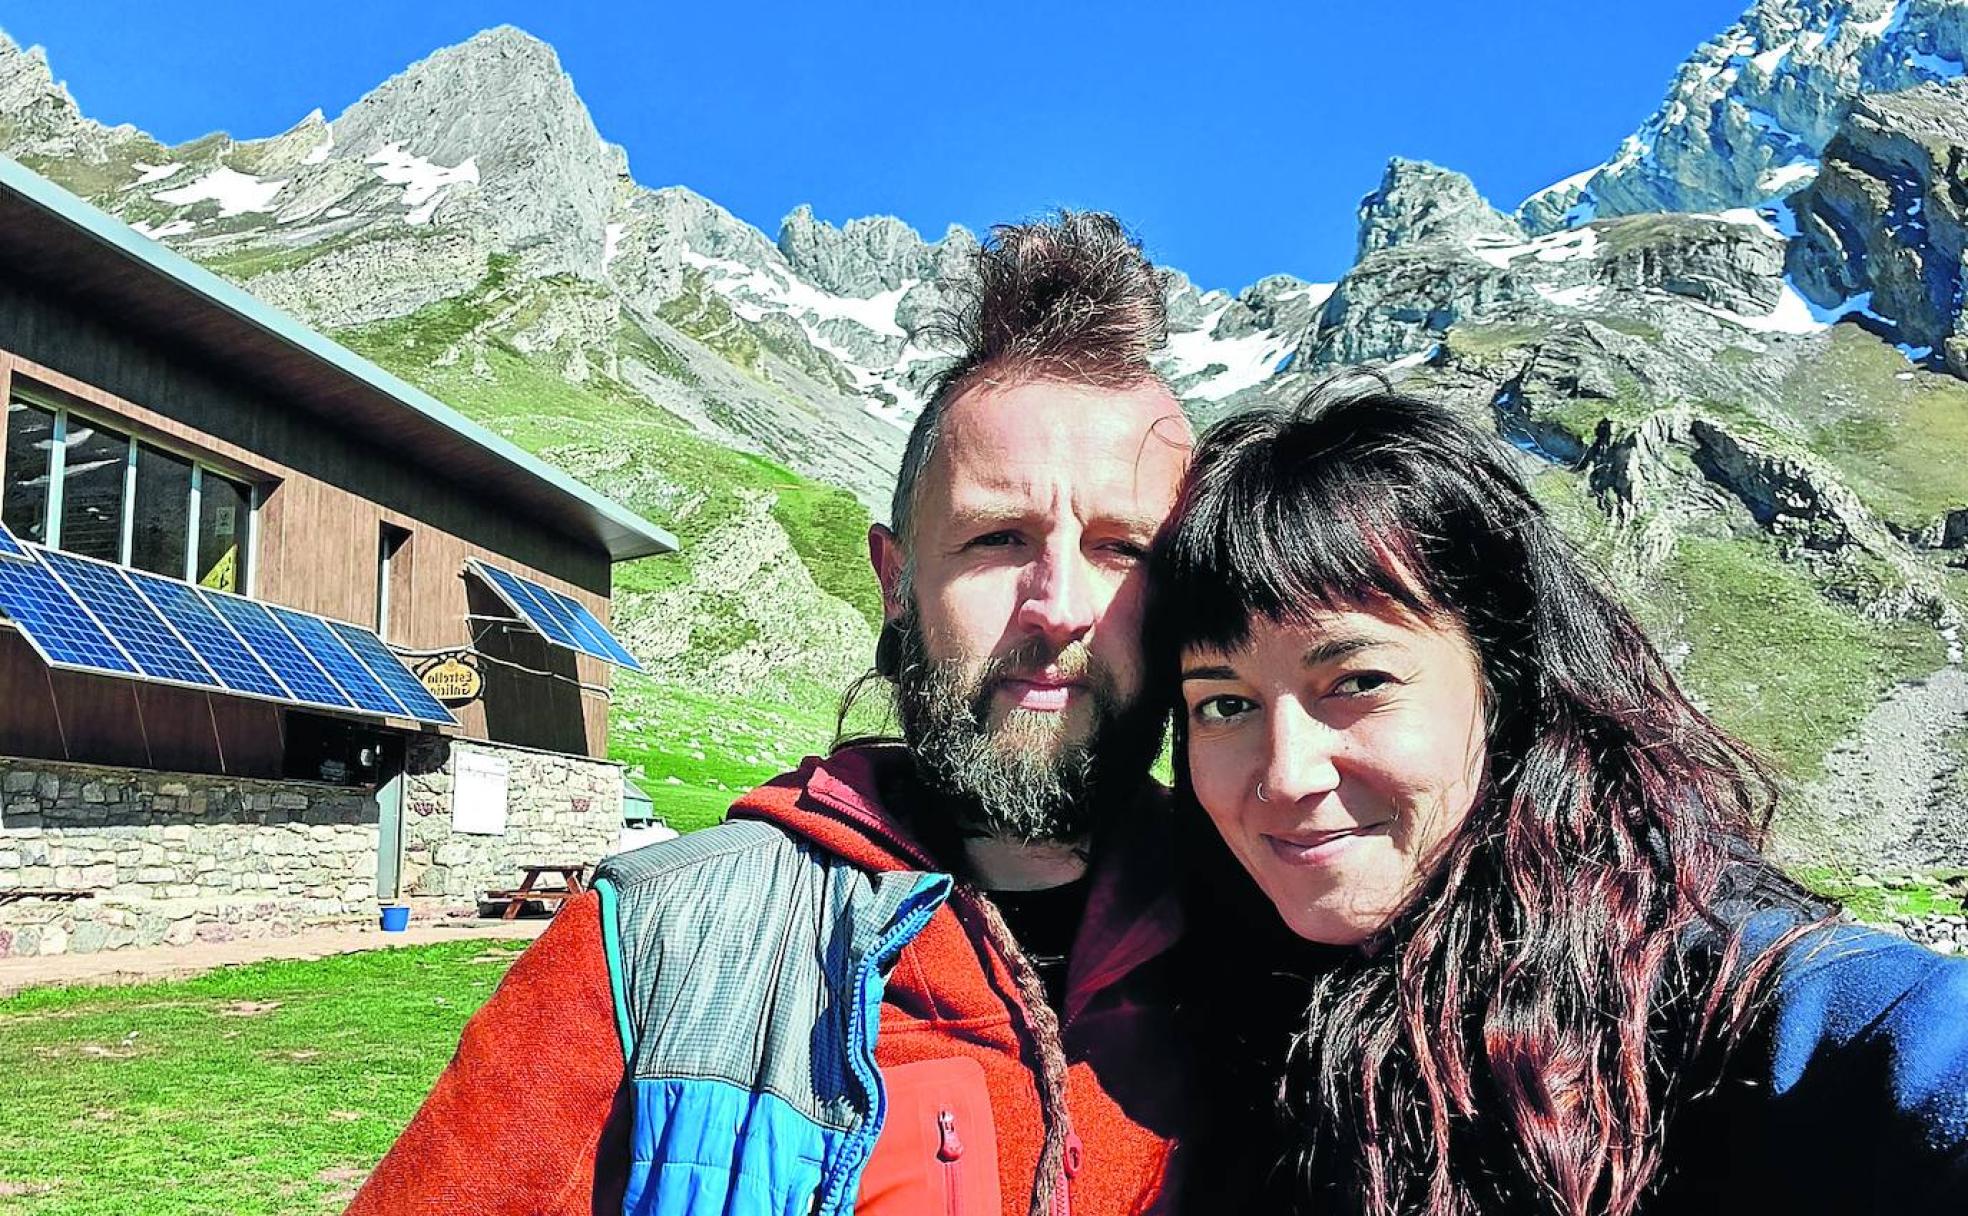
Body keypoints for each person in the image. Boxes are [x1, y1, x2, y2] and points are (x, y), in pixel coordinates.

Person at [345, 211, 1196, 1216]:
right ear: (895, 581)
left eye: (1122, 549)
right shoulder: (653, 943)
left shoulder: (1279, 945)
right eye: (997, 537)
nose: (1058, 605)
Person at [1151, 377, 1968, 1214]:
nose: (1287, 774)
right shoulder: (1196, 997)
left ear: (1506, 681)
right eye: (1225, 704)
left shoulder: (1704, 990)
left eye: (1358, 682)